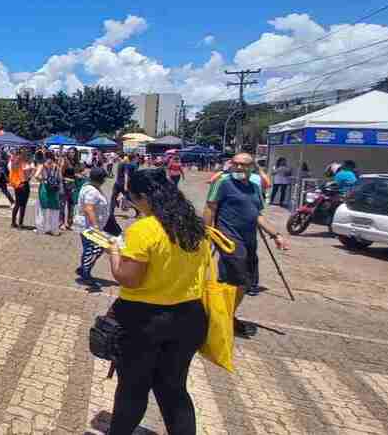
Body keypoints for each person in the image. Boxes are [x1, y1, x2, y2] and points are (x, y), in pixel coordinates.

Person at [105, 168, 210, 435]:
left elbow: (129, 279)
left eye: (131, 196)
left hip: (144, 320)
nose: (129, 201)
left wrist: (114, 253)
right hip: (189, 316)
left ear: (143, 198)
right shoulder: (193, 226)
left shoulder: (143, 229)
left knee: (133, 388)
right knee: (173, 389)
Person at [204, 153, 288, 338]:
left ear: (252, 168)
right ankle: (220, 318)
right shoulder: (223, 183)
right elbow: (210, 207)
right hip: (229, 239)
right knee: (234, 279)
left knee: (247, 281)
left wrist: (276, 235)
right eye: (236, 164)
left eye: (244, 165)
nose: (239, 168)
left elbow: (257, 215)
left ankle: (226, 315)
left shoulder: (254, 188)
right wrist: (207, 233)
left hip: (249, 239)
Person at [72, 167, 111, 290]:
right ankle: (85, 273)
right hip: (89, 225)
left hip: (89, 224)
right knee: (94, 248)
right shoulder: (91, 191)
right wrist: (95, 226)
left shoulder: (91, 187)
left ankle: (84, 268)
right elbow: (89, 208)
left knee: (94, 248)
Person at [34, 153, 63, 236]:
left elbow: (36, 176)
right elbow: (60, 179)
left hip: (45, 189)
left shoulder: (42, 166)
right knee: (54, 210)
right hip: (54, 190)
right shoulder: (57, 167)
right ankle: (54, 229)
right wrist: (61, 190)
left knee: (42, 209)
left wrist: (43, 180)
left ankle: (41, 229)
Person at [8, 151, 33, 229]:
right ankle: (20, 224)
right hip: (23, 184)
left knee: (17, 204)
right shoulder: (24, 165)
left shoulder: (13, 164)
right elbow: (28, 176)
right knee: (23, 205)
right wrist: (30, 171)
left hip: (17, 185)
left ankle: (13, 223)